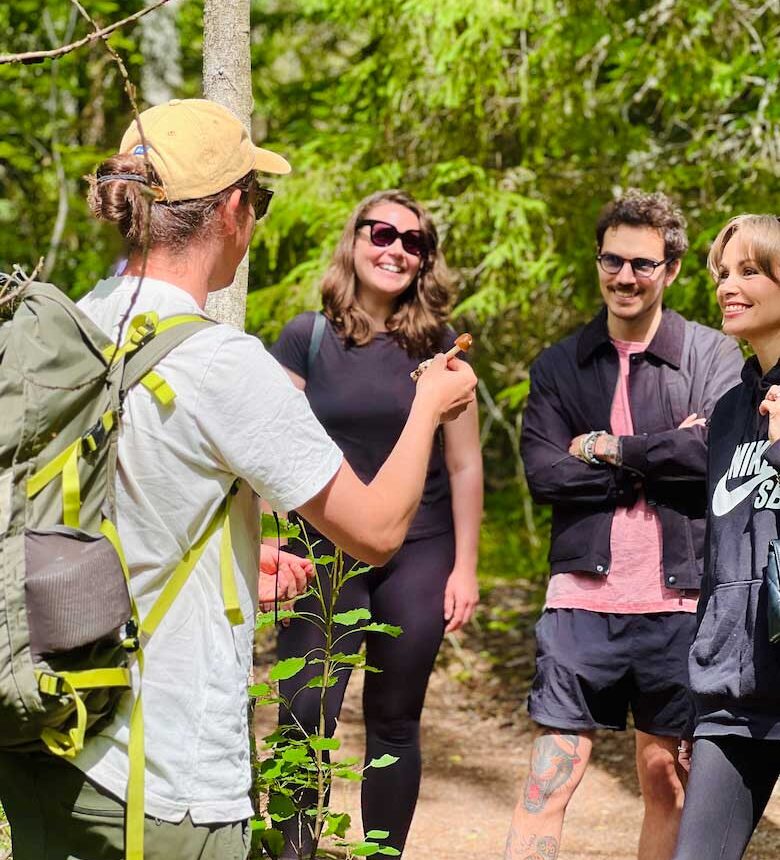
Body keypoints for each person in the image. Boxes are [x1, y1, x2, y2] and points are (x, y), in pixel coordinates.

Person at [0, 100, 476, 860]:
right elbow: (380, 532)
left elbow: (91, 498)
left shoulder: (74, 327)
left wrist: (236, 555)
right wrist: (428, 407)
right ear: (230, 211)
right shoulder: (224, 362)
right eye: (258, 198)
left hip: (49, 739)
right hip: (162, 781)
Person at [506, 190, 744, 860]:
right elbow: (546, 475)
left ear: (669, 269)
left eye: (643, 263)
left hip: (680, 601)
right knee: (548, 776)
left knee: (666, 781)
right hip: (581, 599)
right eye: (613, 260)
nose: (625, 277)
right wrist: (661, 454)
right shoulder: (559, 365)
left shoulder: (712, 357)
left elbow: (711, 460)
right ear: (598, 261)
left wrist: (608, 447)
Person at [269, 190, 483, 857]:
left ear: (425, 260)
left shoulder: (442, 348)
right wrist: (270, 536)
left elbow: (466, 463)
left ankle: (382, 853)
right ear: (354, 241)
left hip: (419, 551)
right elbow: (271, 446)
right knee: (305, 713)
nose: (395, 248)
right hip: (322, 546)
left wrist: (467, 567)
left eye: (413, 241)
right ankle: (293, 850)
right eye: (382, 233)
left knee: (396, 720)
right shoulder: (305, 337)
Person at [673, 215, 780, 860]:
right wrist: (701, 691)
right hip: (735, 694)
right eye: (722, 273)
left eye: (749, 270)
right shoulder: (733, 408)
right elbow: (722, 557)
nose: (727, 287)